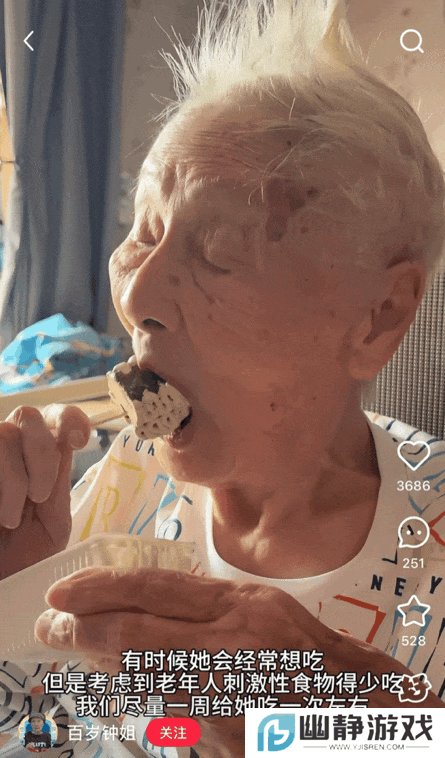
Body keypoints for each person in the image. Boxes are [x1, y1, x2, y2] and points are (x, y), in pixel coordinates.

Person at [1, 0, 445, 756]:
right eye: (143, 233)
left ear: (378, 315)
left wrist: (346, 724)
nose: (135, 296)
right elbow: (55, 730)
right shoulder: (127, 477)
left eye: (220, 254)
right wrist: (16, 600)